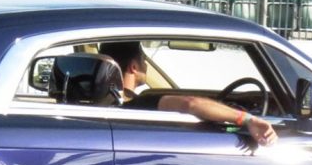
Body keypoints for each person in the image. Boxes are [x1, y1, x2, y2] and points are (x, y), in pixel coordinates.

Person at [100, 41, 278, 146]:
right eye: (144, 60)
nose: (146, 65)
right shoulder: (142, 103)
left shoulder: (98, 104)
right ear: (134, 67)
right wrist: (248, 119)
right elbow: (190, 104)